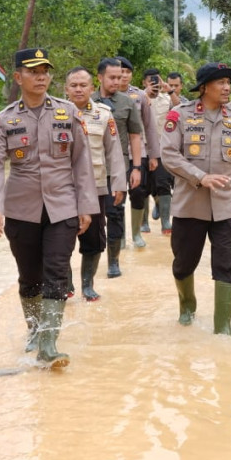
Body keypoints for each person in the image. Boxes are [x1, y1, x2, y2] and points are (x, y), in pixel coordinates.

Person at [0, 48, 99, 368]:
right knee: (29, 276)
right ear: (19, 77)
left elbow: (82, 163)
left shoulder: (68, 113)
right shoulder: (5, 119)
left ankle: (48, 344)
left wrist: (86, 206)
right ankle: (34, 331)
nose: (42, 76)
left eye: (45, 70)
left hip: (63, 207)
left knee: (57, 271)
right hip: (21, 209)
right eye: (33, 71)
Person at [161, 62, 231, 335]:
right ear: (203, 88)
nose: (227, 88)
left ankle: (222, 327)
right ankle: (187, 306)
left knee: (226, 265)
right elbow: (169, 154)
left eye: (229, 82)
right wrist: (200, 176)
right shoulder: (180, 115)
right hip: (190, 205)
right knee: (183, 264)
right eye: (220, 83)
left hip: (226, 206)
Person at [64, 66, 128, 300]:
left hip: (97, 187)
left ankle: (87, 284)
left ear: (92, 88)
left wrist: (119, 183)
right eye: (74, 85)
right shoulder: (57, 113)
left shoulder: (104, 114)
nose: (79, 89)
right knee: (61, 239)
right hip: (62, 188)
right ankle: (66, 283)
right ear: (66, 89)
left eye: (83, 85)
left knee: (93, 239)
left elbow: (114, 151)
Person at [91, 58, 143, 278]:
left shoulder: (127, 102)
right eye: (112, 77)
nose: (117, 81)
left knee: (115, 214)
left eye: (120, 77)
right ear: (100, 77)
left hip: (117, 168)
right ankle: (89, 261)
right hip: (90, 169)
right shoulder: (86, 100)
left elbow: (134, 136)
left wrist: (137, 167)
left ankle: (113, 261)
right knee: (90, 217)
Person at [117, 56, 160, 248]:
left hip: (138, 152)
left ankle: (135, 233)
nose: (124, 75)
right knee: (116, 195)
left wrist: (153, 155)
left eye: (127, 72)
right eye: (120, 72)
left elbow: (149, 126)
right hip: (114, 154)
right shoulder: (103, 97)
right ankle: (119, 236)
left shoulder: (140, 96)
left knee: (138, 192)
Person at [143, 68, 175, 234]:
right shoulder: (138, 98)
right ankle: (143, 223)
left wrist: (170, 90)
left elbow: (180, 108)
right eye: (150, 81)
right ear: (144, 83)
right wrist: (145, 95)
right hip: (142, 149)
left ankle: (165, 222)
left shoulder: (167, 99)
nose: (154, 84)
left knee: (163, 184)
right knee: (142, 187)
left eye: (156, 80)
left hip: (162, 149)